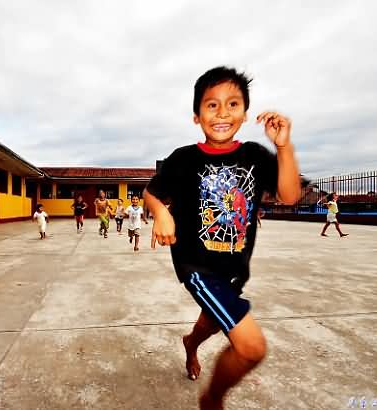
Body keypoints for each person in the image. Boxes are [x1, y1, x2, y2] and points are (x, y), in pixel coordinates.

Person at [144, 66, 301, 409]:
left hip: (235, 267)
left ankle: (190, 343)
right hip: (197, 267)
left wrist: (284, 146)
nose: (222, 113)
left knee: (213, 322)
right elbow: (151, 193)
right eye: (211, 105)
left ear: (245, 114)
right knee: (251, 347)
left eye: (232, 104)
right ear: (196, 116)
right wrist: (161, 213)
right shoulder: (183, 159)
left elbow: (289, 196)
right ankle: (212, 400)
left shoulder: (257, 157)